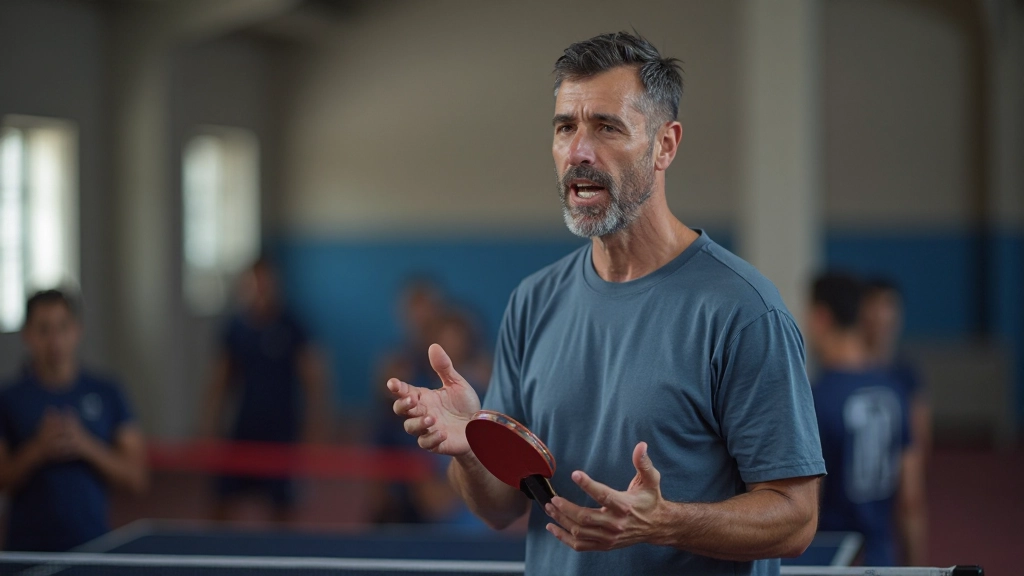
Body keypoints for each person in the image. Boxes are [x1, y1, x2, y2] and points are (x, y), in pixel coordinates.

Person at [387, 32, 824, 575]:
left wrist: (665, 523)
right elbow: (498, 508)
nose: (579, 152)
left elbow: (797, 518)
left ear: (665, 144)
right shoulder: (533, 301)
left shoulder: (743, 310)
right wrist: (471, 448)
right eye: (565, 127)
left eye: (607, 128)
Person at [0, 290, 147, 551]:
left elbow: (136, 476)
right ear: (27, 335)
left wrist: (85, 445)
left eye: (62, 327)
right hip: (26, 549)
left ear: (77, 330)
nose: (55, 341)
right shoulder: (9, 398)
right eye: (44, 329)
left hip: (92, 546)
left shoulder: (108, 392)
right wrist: (38, 449)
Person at [808, 272, 927, 565]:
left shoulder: (815, 399)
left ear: (821, 317)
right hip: (880, 558)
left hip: (828, 563)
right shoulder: (895, 390)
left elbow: (805, 504)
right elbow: (911, 500)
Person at [200, 256, 329, 523]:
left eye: (265, 280)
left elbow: (314, 381)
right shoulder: (235, 328)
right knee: (220, 506)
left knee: (283, 513)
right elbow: (220, 381)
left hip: (282, 433)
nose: (260, 287)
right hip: (244, 429)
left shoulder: (293, 325)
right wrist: (208, 425)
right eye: (254, 281)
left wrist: (315, 430)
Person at [860, 278, 932, 457]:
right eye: (874, 305)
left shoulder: (908, 374)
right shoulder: (847, 371)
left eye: (888, 305)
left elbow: (920, 438)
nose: (881, 315)